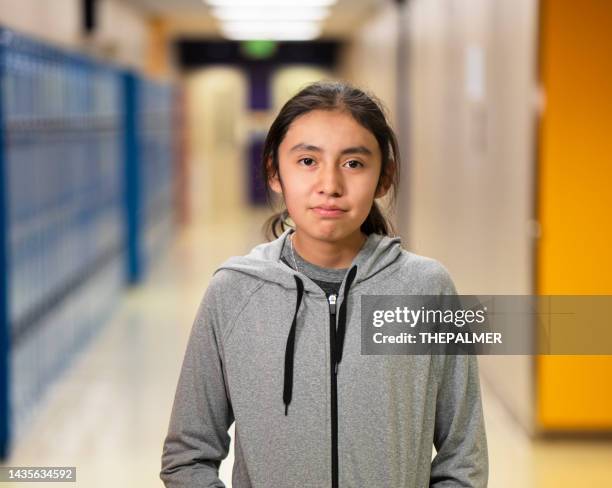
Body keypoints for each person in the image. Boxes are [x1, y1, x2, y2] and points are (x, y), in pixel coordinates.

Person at [160, 80, 488, 487]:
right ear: (274, 172)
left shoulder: (426, 290)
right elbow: (187, 457)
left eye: (353, 163)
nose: (329, 185)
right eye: (307, 161)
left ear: (383, 179)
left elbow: (464, 459)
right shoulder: (233, 292)